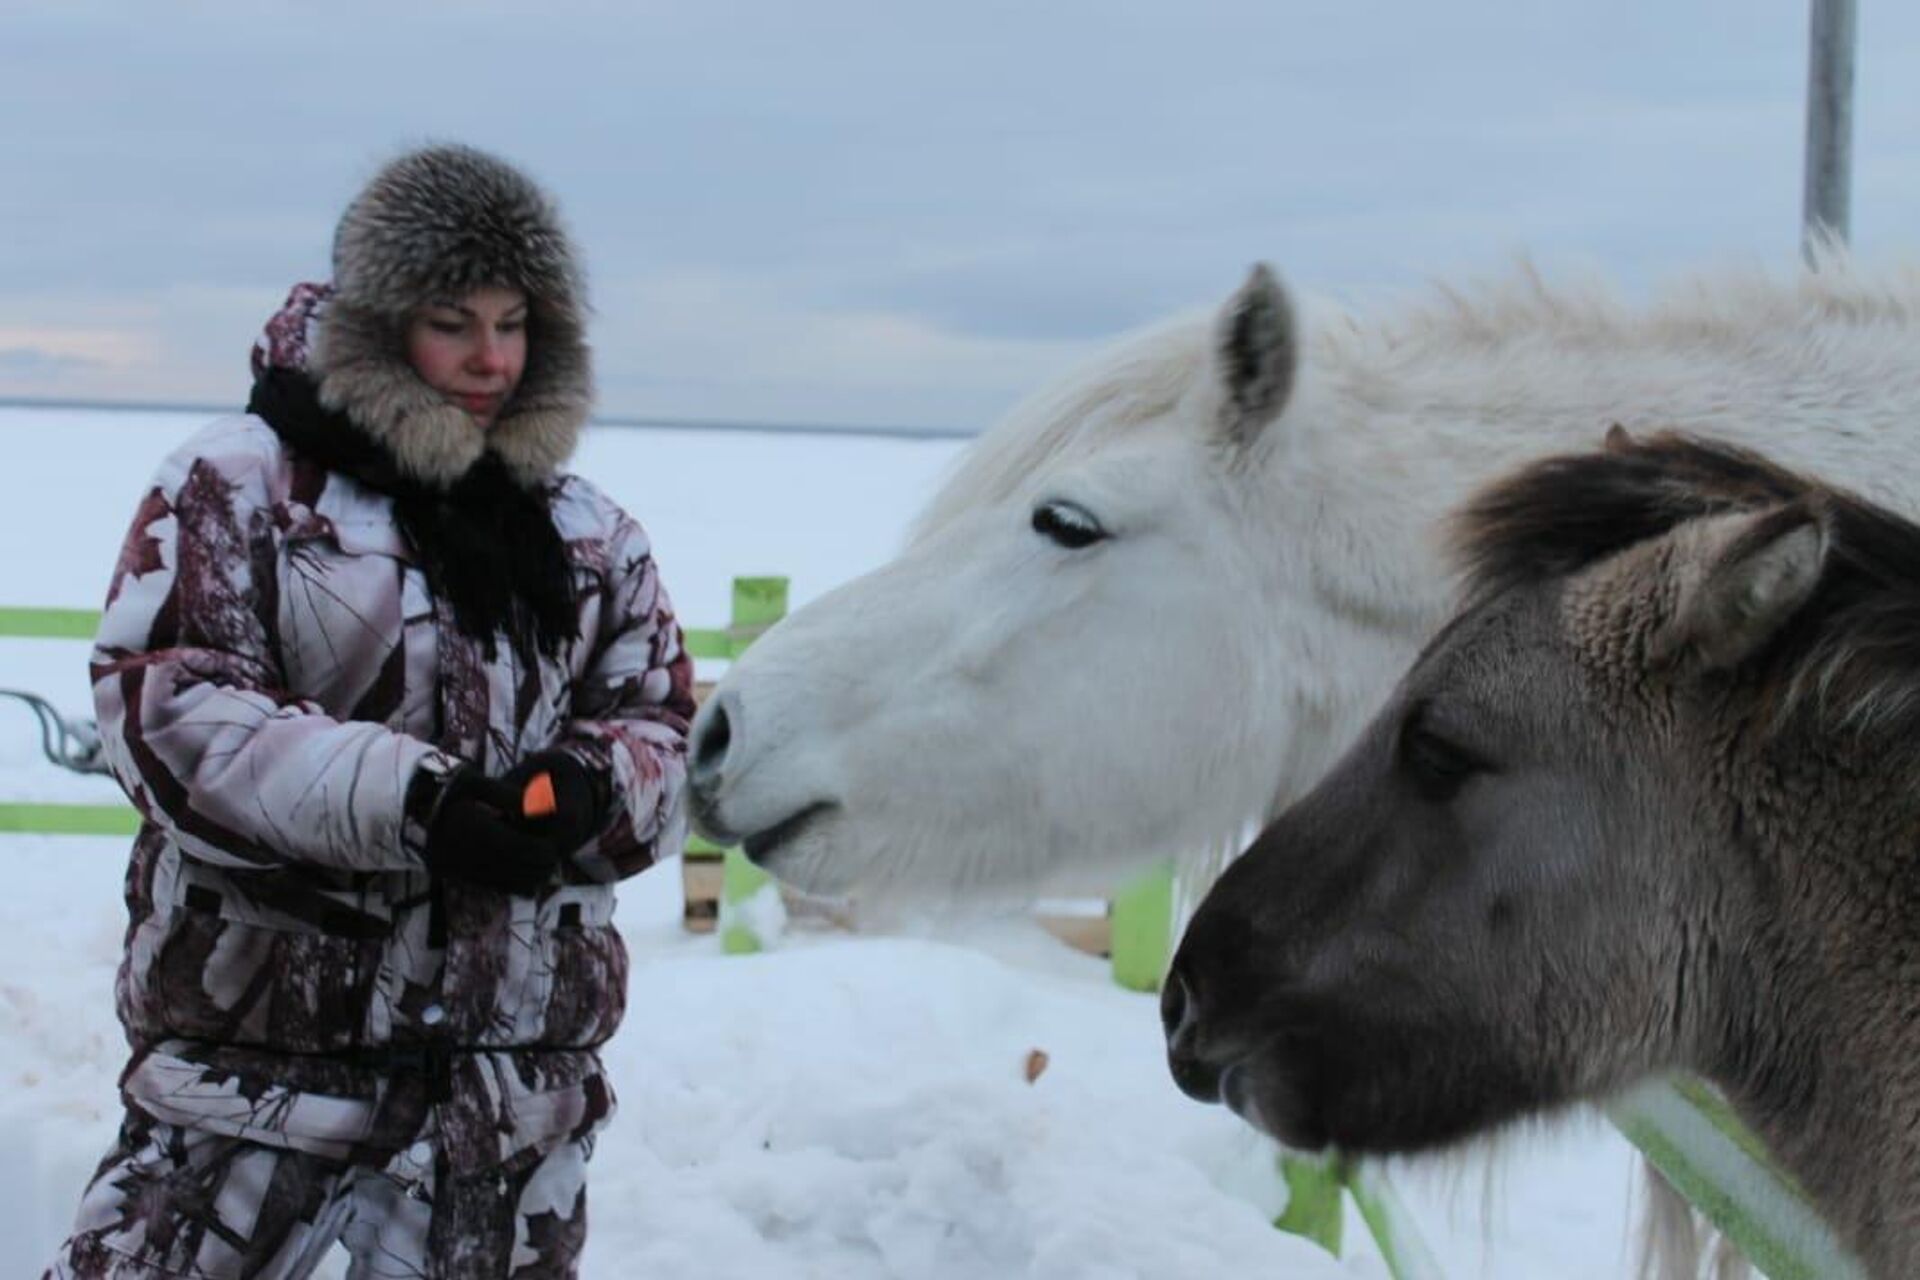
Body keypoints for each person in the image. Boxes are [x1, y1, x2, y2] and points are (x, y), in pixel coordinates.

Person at [46, 143, 694, 1278]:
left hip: (507, 1118)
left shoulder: (589, 531)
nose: (492, 357)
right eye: (454, 320)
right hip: (254, 1099)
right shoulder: (236, 485)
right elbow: (175, 711)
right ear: (381, 322)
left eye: (514, 321)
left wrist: (586, 788)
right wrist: (417, 803)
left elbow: (662, 725)